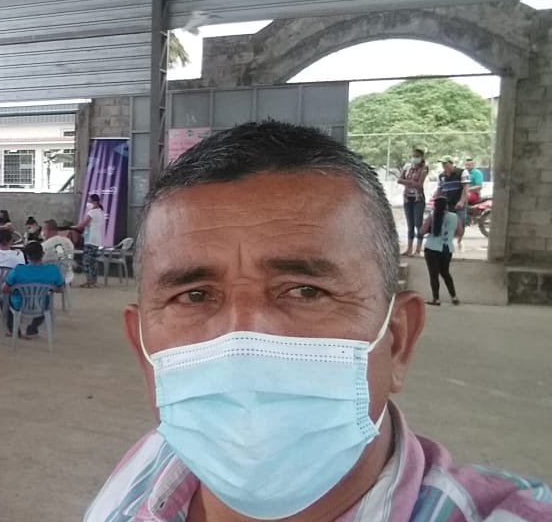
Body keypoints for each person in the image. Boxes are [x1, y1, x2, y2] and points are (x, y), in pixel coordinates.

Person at [84, 121, 552, 522]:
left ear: (398, 340)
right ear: (142, 349)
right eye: (194, 295)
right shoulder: (146, 467)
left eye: (306, 291)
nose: (244, 341)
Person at [1, 241, 63, 338]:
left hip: (19, 304)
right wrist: (52, 288)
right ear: (43, 254)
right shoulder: (53, 269)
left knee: (2, 298)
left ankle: (13, 329)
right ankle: (32, 328)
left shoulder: (18, 270)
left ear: (27, 256)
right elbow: (61, 289)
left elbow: (4, 289)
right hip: (41, 304)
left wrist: (13, 289)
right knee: (47, 301)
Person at [420, 196, 460, 306]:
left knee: (434, 274)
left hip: (432, 248)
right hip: (447, 248)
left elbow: (422, 231)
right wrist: (450, 236)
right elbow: (459, 232)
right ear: (446, 205)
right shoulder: (455, 217)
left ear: (435, 206)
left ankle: (436, 299)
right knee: (445, 273)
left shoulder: (432, 216)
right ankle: (454, 296)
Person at [434, 155, 469, 251]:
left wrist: (461, 201)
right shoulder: (442, 176)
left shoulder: (462, 172)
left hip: (458, 202)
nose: (444, 166)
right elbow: (440, 189)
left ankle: (460, 241)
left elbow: (465, 188)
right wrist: (437, 200)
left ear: (451, 163)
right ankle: (448, 242)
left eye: (446, 164)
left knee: (460, 222)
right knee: (447, 223)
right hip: (447, 203)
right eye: (443, 164)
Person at [398, 149, 429, 256]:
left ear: (422, 157)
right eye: (413, 156)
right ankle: (409, 248)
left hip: (418, 199)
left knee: (418, 224)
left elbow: (420, 185)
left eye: (417, 156)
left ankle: (418, 250)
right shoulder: (407, 167)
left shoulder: (424, 168)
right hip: (407, 198)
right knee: (410, 224)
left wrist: (406, 182)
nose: (415, 158)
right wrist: (412, 182)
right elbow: (399, 180)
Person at [74, 193, 105, 288]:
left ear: (95, 202)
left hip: (90, 240)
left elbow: (82, 225)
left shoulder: (92, 213)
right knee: (93, 261)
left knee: (87, 261)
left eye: (89, 201)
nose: (88, 203)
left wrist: (71, 227)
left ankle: (89, 281)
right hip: (96, 240)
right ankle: (93, 281)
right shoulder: (100, 212)